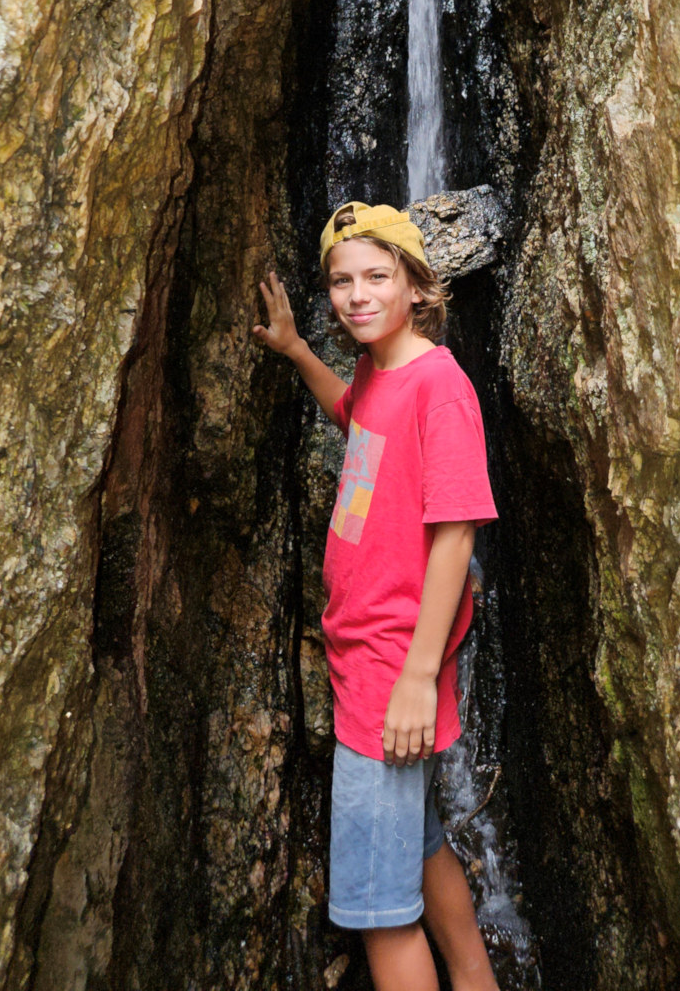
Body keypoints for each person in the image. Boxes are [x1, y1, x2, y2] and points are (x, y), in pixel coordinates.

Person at [254, 200, 501, 991]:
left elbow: (457, 536)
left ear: (419, 287)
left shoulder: (440, 387)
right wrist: (296, 350)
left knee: (378, 916)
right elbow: (357, 420)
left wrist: (418, 679)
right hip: (373, 663)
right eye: (341, 281)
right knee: (424, 849)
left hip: (390, 681)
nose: (357, 295)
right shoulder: (380, 371)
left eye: (377, 277)